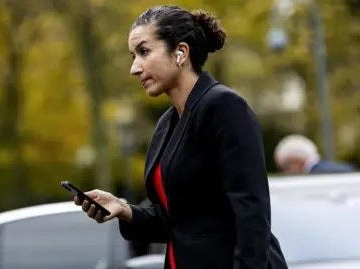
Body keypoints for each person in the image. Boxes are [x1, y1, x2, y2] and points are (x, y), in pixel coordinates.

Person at [74, 5, 288, 269]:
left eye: (143, 52)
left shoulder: (224, 108)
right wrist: (123, 209)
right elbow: (177, 222)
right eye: (133, 56)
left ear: (180, 52)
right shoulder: (167, 124)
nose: (134, 68)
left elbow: (252, 213)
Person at [274, 134, 355, 175]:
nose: (286, 173)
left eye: (286, 166)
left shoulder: (317, 175)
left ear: (298, 159)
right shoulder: (326, 170)